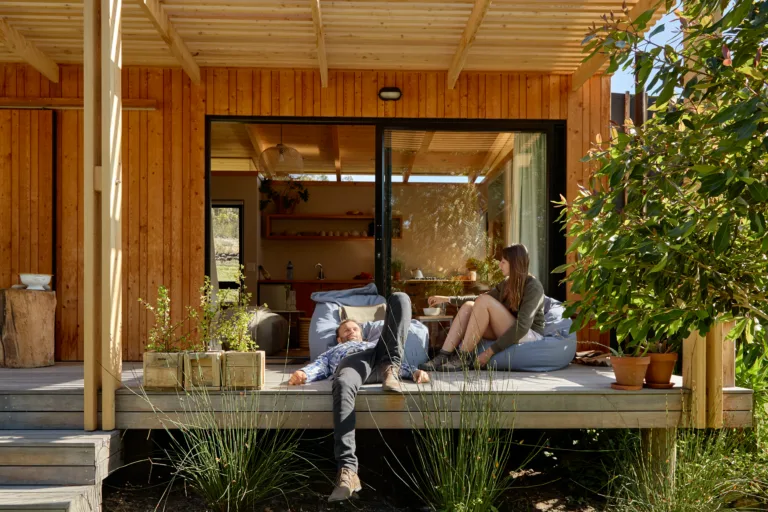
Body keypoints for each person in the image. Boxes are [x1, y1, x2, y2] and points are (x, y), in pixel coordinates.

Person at [287, 292, 430, 503]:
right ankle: (348, 472)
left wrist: (414, 371)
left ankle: (391, 371)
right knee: (342, 383)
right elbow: (317, 367)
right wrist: (303, 374)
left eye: (355, 328)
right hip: (354, 364)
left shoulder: (373, 343)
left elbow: (393, 347)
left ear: (362, 333)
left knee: (400, 298)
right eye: (345, 330)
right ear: (338, 337)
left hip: (381, 357)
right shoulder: (334, 351)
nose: (351, 332)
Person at [419, 244, 545, 371]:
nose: (499, 265)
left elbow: (522, 327)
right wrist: (447, 299)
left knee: (484, 301)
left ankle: (463, 357)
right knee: (469, 306)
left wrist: (489, 352)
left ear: (514, 264)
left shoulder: (533, 287)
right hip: (509, 329)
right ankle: (444, 355)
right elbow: (477, 300)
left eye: (503, 262)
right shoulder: (507, 284)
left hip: (528, 334)